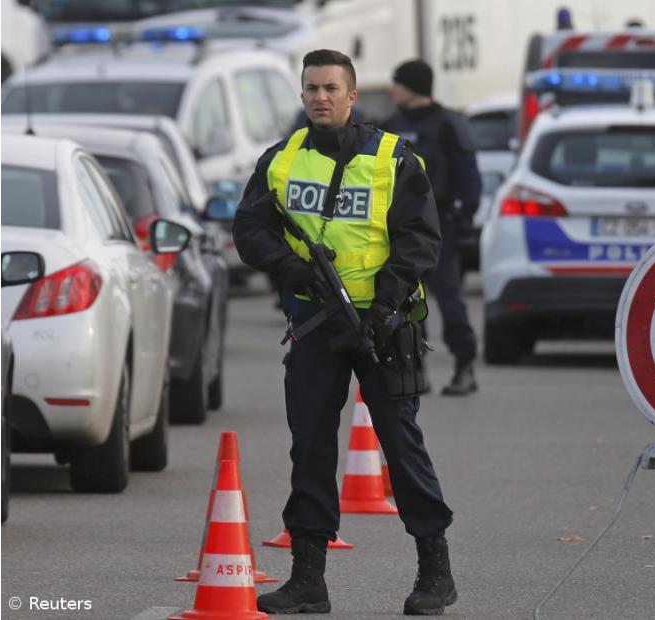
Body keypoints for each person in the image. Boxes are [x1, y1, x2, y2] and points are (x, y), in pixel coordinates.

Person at [233, 49, 456, 616]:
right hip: (315, 321)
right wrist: (291, 268)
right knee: (309, 444)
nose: (320, 97)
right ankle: (309, 579)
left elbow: (419, 241)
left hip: (383, 325)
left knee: (400, 446)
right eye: (311, 88)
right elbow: (250, 229)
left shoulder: (393, 159)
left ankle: (435, 570)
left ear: (353, 96)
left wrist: (383, 308)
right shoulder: (280, 161)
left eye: (331, 88)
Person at [381, 59, 481, 397]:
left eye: (397, 82)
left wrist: (464, 217)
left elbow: (469, 175)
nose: (391, 89)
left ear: (413, 86)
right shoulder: (392, 124)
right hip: (398, 229)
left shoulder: (447, 124)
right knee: (405, 302)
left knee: (449, 300)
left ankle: (464, 368)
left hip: (440, 230)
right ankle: (414, 369)